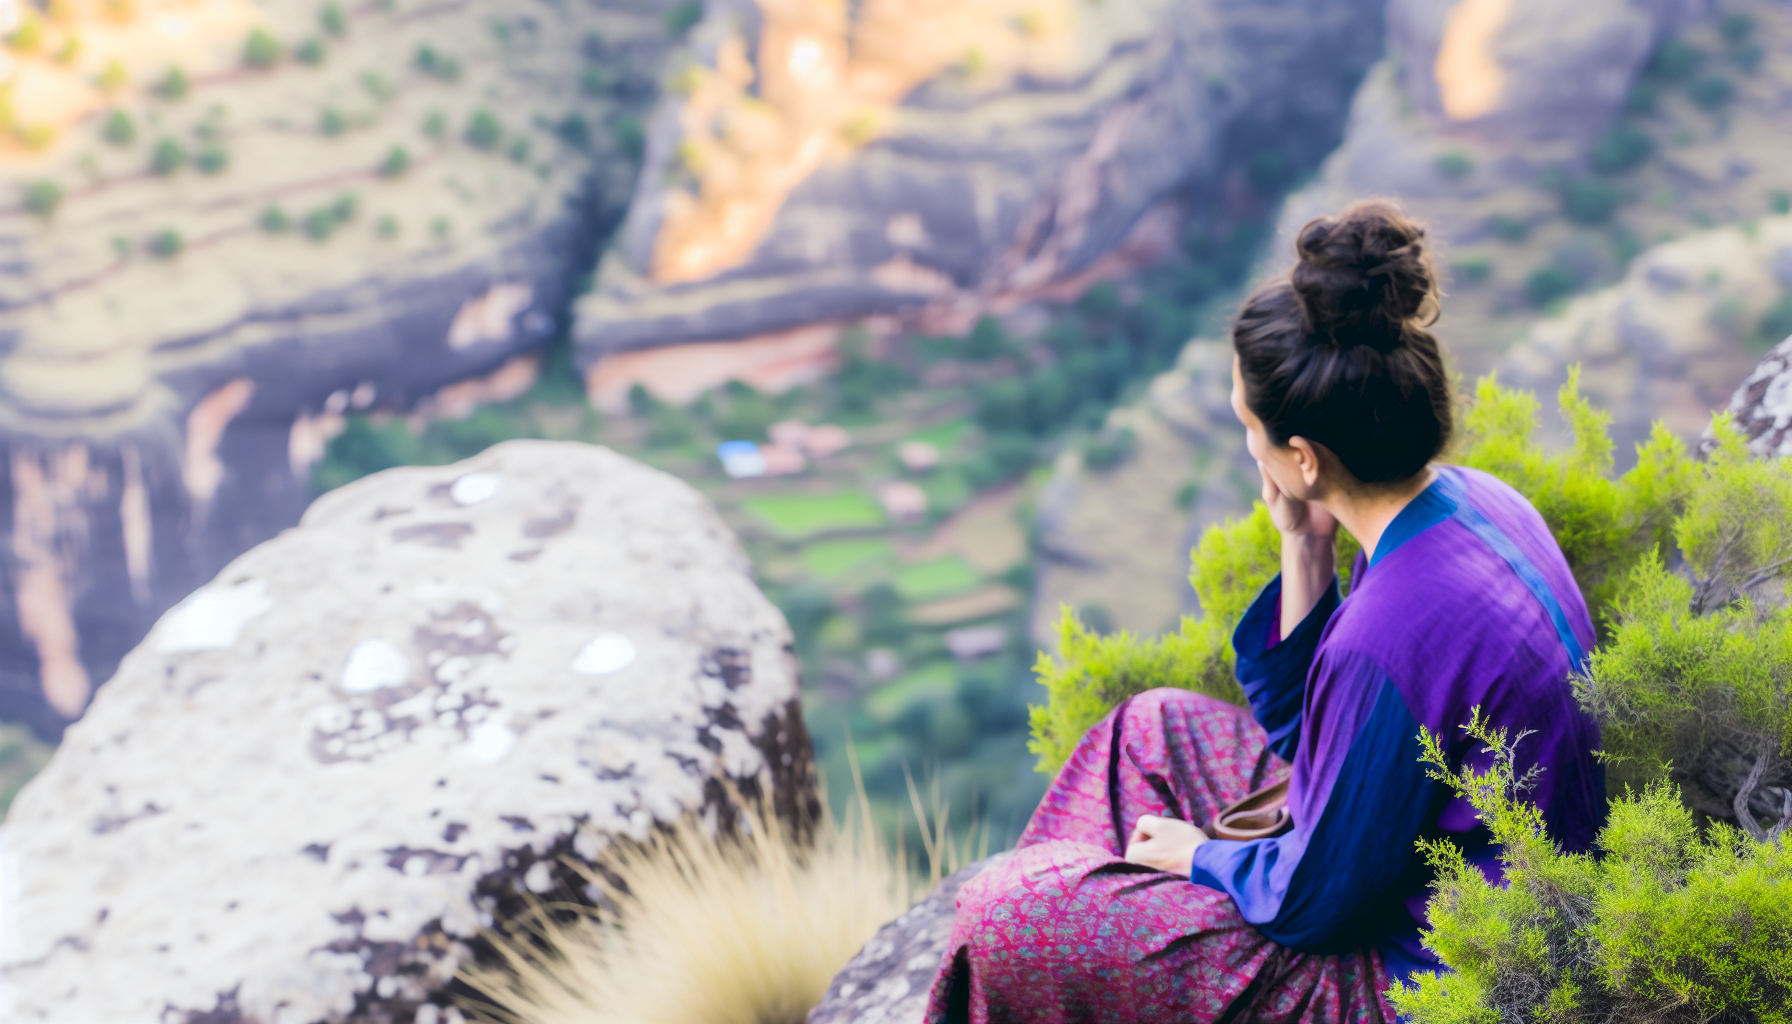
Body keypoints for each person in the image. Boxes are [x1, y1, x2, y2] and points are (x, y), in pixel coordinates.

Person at [924, 199, 1608, 1024]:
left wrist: (1200, 858)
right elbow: (1313, 734)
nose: (1249, 445)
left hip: (1428, 983)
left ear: (1304, 457)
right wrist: (1305, 544)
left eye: (1251, 428)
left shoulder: (1387, 632)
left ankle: (1052, 957)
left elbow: (1315, 906)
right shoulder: (1475, 504)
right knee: (1144, 732)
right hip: (1416, 875)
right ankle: (1077, 976)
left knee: (1010, 915)